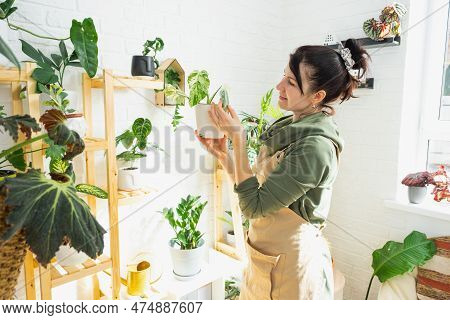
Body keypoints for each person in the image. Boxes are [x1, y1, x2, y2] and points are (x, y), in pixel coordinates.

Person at [195, 39, 370, 300]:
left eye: (291, 82)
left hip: (293, 271)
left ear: (317, 96)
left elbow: (254, 206)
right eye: (284, 76)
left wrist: (239, 138)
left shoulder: (315, 147)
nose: (279, 86)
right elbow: (255, 189)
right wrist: (224, 156)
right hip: (264, 257)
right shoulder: (290, 127)